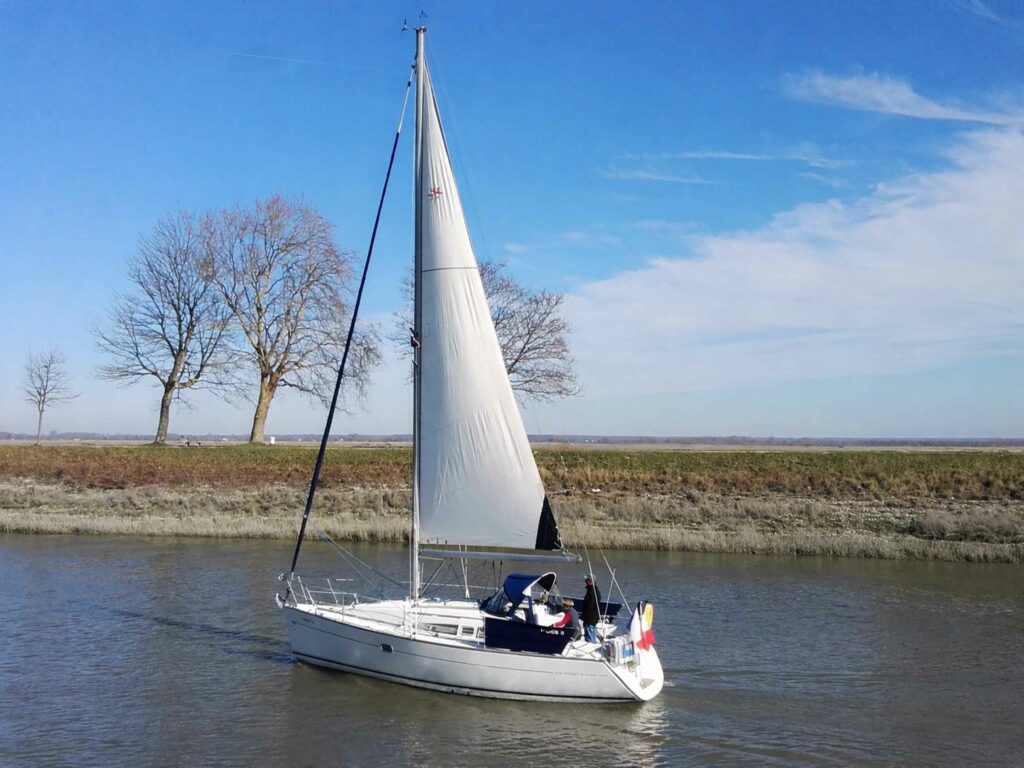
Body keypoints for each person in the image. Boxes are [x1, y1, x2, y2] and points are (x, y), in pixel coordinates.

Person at [581, 576, 602, 644]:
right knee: (590, 631)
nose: (586, 582)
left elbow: (590, 605)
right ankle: (592, 642)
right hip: (591, 618)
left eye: (587, 580)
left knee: (590, 633)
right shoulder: (591, 590)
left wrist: (586, 617)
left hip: (590, 618)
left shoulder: (593, 591)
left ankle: (591, 644)